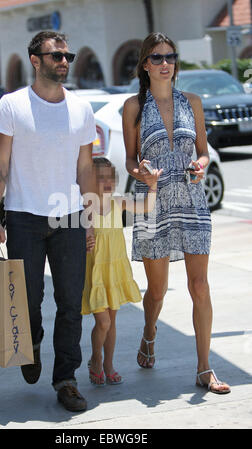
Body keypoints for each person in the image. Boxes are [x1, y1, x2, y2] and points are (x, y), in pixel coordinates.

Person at [0, 31, 97, 412]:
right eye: (56, 56)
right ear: (35, 60)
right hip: (23, 219)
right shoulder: (11, 105)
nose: (64, 61)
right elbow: (0, 164)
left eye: (68, 55)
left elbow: (85, 166)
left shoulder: (82, 109)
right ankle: (30, 340)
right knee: (29, 299)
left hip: (69, 218)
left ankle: (66, 379)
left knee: (70, 303)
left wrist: (91, 215)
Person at [122, 32, 231, 394]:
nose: (165, 63)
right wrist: (142, 174)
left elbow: (203, 151)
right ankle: (149, 332)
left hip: (192, 199)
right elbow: (129, 160)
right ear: (145, 64)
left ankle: (204, 368)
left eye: (170, 56)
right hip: (153, 203)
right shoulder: (133, 107)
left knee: (199, 285)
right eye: (157, 57)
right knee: (157, 289)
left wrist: (200, 166)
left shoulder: (193, 102)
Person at [82, 157, 162, 386]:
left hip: (115, 269)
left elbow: (147, 206)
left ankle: (109, 364)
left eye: (110, 177)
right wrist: (83, 239)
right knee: (103, 322)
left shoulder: (118, 202)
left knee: (112, 321)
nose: (107, 182)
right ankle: (96, 359)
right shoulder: (86, 206)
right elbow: (77, 233)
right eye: (100, 178)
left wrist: (153, 186)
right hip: (96, 270)